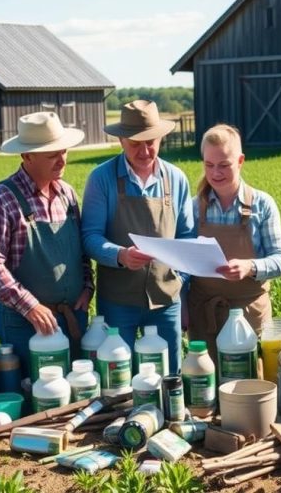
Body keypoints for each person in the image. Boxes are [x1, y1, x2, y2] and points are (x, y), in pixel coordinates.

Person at [0, 111, 94, 379]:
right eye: (51, 154)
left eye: (63, 151)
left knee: (72, 396)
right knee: (34, 399)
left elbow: (81, 252)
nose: (61, 160)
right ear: (27, 156)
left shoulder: (67, 194)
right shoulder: (1, 199)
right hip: (25, 324)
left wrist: (87, 286)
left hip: (73, 317)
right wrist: (30, 306)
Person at [82, 100, 194, 374]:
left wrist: (181, 282)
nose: (145, 151)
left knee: (170, 376)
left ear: (161, 138)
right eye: (135, 143)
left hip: (167, 299)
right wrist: (120, 255)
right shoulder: (101, 179)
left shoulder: (176, 179)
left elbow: (187, 237)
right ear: (121, 140)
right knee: (119, 378)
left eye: (151, 142)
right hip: (118, 301)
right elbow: (90, 236)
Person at [188, 124, 281, 361]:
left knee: (250, 384)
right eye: (209, 165)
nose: (215, 173)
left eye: (224, 165)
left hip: (249, 314)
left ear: (241, 160)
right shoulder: (193, 207)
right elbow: (181, 266)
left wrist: (250, 267)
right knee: (205, 386)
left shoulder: (262, 205)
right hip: (204, 314)